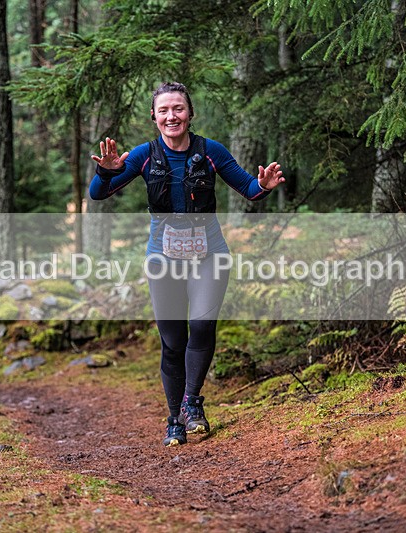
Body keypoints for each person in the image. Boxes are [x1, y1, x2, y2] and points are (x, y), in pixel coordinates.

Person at [89, 81, 284, 446]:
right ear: (154, 117)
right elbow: (98, 195)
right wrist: (107, 172)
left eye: (178, 108)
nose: (171, 116)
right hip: (163, 259)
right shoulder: (143, 156)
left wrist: (264, 185)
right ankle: (174, 418)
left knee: (203, 326)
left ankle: (193, 403)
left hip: (209, 255)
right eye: (163, 110)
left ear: (190, 113)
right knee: (173, 340)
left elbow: (249, 189)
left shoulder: (211, 152)